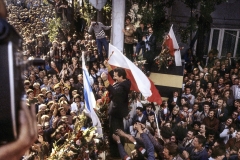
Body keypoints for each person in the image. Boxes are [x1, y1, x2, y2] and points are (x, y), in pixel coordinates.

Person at [101, 60, 131, 158]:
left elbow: (114, 92)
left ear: (121, 77)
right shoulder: (123, 82)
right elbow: (114, 76)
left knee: (115, 134)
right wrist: (108, 66)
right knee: (114, 132)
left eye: (116, 76)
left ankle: (116, 154)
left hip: (116, 114)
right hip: (116, 113)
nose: (114, 77)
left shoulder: (122, 87)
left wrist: (105, 80)